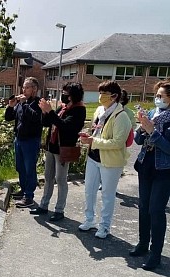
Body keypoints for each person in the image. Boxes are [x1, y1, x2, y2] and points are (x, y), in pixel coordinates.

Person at [78, 80, 131, 239]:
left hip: (111, 161)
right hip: (94, 157)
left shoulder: (122, 116)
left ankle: (104, 226)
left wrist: (94, 141)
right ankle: (89, 219)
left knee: (107, 195)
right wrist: (89, 137)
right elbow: (96, 131)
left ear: (114, 97)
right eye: (100, 93)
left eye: (104, 94)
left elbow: (117, 142)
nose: (100, 96)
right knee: (89, 190)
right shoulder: (100, 110)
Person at [129, 81, 170, 271]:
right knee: (144, 207)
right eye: (157, 95)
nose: (158, 98)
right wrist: (141, 127)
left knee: (156, 210)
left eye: (162, 96)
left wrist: (153, 131)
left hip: (163, 171)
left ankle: (155, 254)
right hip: (146, 166)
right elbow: (138, 140)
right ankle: (142, 244)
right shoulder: (153, 113)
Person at [31, 82, 86, 221]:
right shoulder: (63, 108)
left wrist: (50, 112)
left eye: (66, 93)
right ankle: (44, 205)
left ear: (73, 95)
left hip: (64, 149)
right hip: (52, 146)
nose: (63, 95)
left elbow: (65, 126)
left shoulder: (79, 110)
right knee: (48, 177)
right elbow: (47, 123)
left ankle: (59, 210)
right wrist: (45, 112)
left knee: (61, 179)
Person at [5, 77, 43, 208]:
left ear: (34, 89)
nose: (24, 90)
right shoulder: (20, 104)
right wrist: (11, 106)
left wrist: (25, 103)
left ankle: (29, 196)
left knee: (29, 168)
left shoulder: (38, 103)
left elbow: (35, 118)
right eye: (23, 87)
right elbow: (9, 118)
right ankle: (23, 190)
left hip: (31, 141)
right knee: (20, 167)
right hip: (19, 139)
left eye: (27, 87)